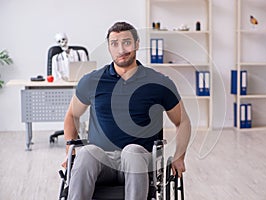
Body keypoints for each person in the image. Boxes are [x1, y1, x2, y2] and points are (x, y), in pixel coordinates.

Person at [63, 21, 191, 200]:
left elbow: (182, 121)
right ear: (109, 48)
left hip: (140, 159)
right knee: (87, 152)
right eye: (114, 44)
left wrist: (179, 157)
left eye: (127, 42)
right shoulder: (92, 81)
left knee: (131, 152)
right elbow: (72, 115)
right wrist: (71, 148)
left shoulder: (159, 83)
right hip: (102, 161)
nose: (121, 49)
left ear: (137, 44)